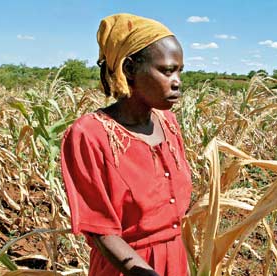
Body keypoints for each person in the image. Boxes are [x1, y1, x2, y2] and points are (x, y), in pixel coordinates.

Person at [61, 13, 192, 276]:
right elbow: (101, 230)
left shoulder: (168, 123)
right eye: (167, 71)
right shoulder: (89, 134)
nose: (177, 82)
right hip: (126, 269)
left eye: (179, 71)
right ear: (130, 68)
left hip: (175, 262)